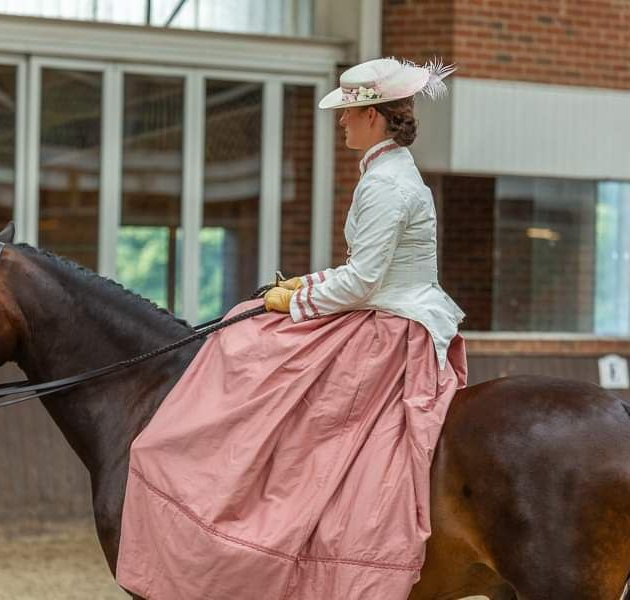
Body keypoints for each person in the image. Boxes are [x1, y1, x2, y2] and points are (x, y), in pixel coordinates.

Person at [117, 57, 467, 600]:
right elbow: (366, 270)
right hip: (394, 306)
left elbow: (362, 284)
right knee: (243, 322)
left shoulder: (384, 184)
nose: (341, 123)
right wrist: (303, 280)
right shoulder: (388, 172)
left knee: (251, 348)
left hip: (390, 323)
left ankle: (259, 508)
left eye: (349, 115)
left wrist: (292, 300)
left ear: (373, 117)